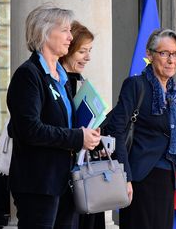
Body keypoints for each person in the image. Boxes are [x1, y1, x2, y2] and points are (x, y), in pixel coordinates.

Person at [6, 3, 101, 229]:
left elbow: (65, 123)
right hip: (39, 184)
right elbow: (31, 130)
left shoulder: (62, 76)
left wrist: (89, 135)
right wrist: (78, 137)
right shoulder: (28, 75)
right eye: (65, 30)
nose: (70, 37)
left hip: (64, 182)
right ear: (45, 33)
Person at [108, 28, 176, 229]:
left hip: (166, 179)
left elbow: (167, 137)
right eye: (164, 53)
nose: (171, 60)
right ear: (149, 54)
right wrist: (125, 178)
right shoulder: (135, 85)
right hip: (140, 180)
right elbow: (117, 131)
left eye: (175, 54)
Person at [58, 21, 106, 229]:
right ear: (67, 50)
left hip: (83, 174)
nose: (88, 57)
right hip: (61, 177)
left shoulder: (78, 81)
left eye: (89, 51)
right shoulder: (57, 82)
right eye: (82, 51)